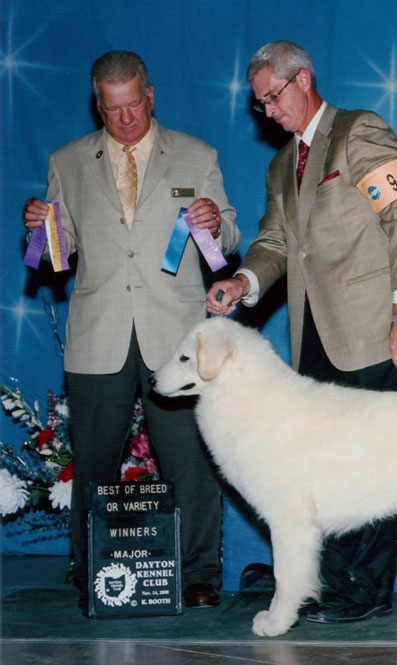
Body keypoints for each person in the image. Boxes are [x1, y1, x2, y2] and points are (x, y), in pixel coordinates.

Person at [208, 40, 397, 624]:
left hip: (374, 331)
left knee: (377, 465)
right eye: (259, 104)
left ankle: (366, 592)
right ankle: (330, 586)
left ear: (303, 79)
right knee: (324, 471)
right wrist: (243, 284)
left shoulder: (360, 132)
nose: (267, 111)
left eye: (272, 97)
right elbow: (275, 244)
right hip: (312, 338)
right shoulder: (281, 165)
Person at [21, 50, 239, 609]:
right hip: (98, 333)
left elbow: (229, 238)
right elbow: (56, 257)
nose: (125, 120)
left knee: (190, 460)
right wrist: (40, 232)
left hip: (177, 335)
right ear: (98, 104)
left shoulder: (196, 154)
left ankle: (199, 575)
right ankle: (86, 565)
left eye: (134, 105)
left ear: (151, 96)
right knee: (92, 461)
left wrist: (217, 222)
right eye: (112, 108)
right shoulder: (67, 160)